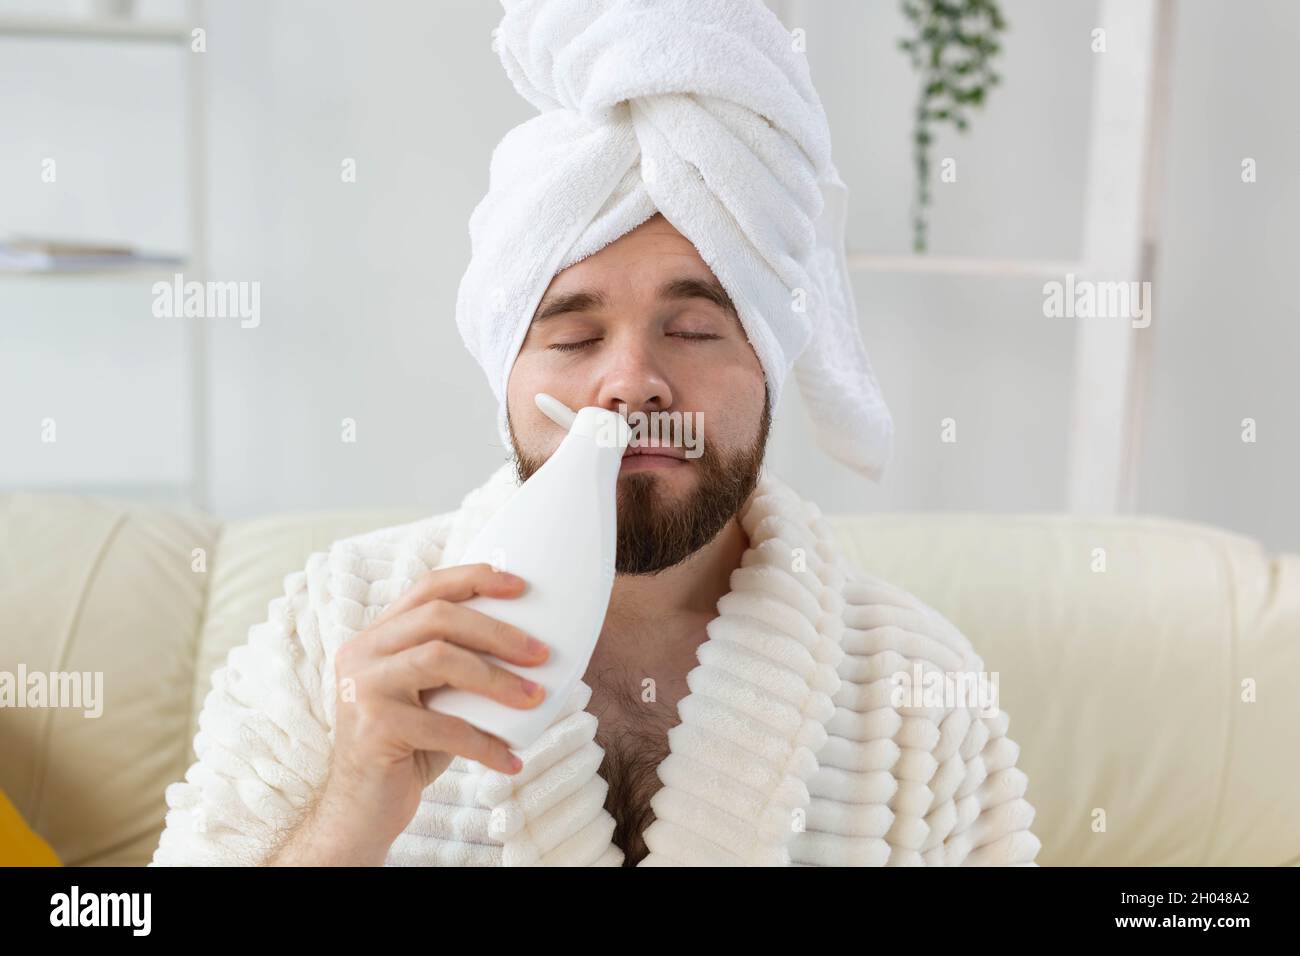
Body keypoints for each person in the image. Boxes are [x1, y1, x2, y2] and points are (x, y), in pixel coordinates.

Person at [151, 0, 1040, 867]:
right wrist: (348, 811)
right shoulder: (339, 622)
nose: (631, 384)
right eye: (574, 337)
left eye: (693, 331)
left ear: (769, 364)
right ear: (505, 374)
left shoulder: (917, 692)